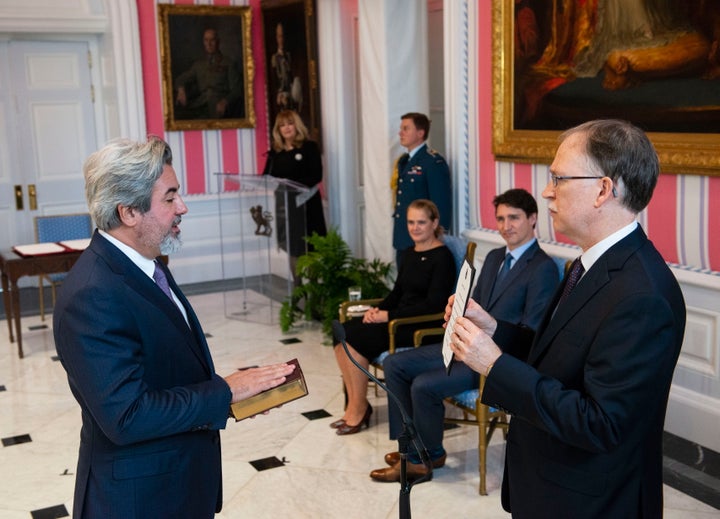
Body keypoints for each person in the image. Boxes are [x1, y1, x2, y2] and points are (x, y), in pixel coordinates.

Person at [449, 119, 686, 518]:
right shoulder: (589, 263)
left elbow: (600, 424)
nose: (546, 192)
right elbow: (559, 353)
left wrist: (493, 363)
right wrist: (495, 332)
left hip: (588, 503)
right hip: (548, 487)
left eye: (558, 178)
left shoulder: (643, 295)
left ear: (603, 189)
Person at [53, 136, 296, 519]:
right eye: (169, 198)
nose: (182, 207)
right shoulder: (93, 294)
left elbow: (166, 369)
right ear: (129, 212)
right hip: (139, 501)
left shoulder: (147, 263)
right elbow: (127, 416)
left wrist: (236, 396)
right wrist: (225, 392)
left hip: (176, 486)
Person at [370, 188, 559, 483]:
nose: (506, 226)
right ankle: (412, 447)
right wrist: (456, 321)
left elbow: (531, 333)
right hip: (463, 344)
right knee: (395, 364)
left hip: (494, 360)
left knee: (423, 385)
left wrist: (478, 344)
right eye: (500, 218)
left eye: (514, 218)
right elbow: (477, 303)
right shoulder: (496, 257)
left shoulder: (543, 268)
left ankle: (423, 460)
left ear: (533, 219)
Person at [331, 199, 456, 435]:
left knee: (356, 340)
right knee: (342, 331)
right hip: (397, 318)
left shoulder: (442, 257)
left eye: (421, 222)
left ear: (434, 223)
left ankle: (358, 409)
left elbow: (433, 305)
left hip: (420, 324)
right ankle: (355, 405)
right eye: (411, 222)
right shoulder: (409, 253)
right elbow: (398, 292)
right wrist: (376, 311)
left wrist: (389, 315)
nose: (415, 227)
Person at [263, 109, 327, 286]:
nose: (286, 128)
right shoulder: (276, 152)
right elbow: (266, 176)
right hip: (287, 206)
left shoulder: (309, 147)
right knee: (294, 248)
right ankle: (299, 289)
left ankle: (314, 291)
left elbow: (316, 176)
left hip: (308, 205)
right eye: (282, 125)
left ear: (297, 125)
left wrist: (291, 183)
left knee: (311, 248)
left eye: (290, 123)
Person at [391, 112, 452, 266]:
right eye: (401, 128)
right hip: (404, 238)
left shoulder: (432, 162)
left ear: (420, 133)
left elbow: (440, 204)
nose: (400, 133)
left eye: (406, 128)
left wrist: (436, 240)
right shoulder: (404, 161)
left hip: (424, 241)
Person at [174, 28, 244, 119]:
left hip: (219, 106)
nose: (209, 44)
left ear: (218, 42)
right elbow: (181, 78)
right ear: (203, 42)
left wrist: (225, 101)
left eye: (212, 40)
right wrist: (180, 89)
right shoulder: (199, 65)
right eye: (206, 40)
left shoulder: (228, 63)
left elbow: (237, 89)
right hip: (200, 105)